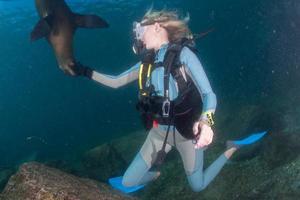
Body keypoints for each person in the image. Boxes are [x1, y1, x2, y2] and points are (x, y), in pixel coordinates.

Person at [76, 10, 266, 193]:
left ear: (157, 27)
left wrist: (207, 123)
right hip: (159, 133)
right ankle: (154, 174)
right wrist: (84, 71)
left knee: (197, 186)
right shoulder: (146, 64)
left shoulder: (184, 55)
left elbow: (209, 95)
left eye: (142, 30)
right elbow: (116, 82)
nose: (139, 36)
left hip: (186, 134)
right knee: (128, 181)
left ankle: (232, 148)